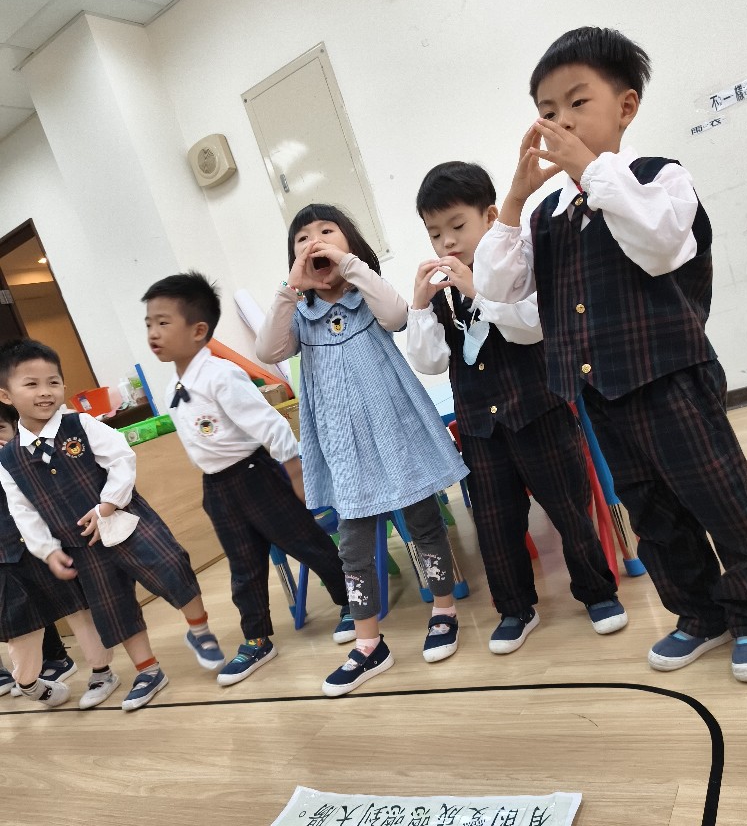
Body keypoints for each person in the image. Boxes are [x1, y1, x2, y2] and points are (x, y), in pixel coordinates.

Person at [474, 26, 747, 682]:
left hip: (671, 377)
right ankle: (698, 613)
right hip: (601, 392)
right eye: (547, 110)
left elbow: (659, 244)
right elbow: (500, 291)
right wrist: (515, 201)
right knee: (650, 510)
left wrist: (593, 173)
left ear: (626, 106)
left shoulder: (658, 178)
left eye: (576, 102)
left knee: (718, 497)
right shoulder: (547, 214)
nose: (560, 121)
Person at [406, 161, 626, 653]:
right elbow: (430, 361)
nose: (446, 242)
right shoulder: (441, 294)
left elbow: (532, 326)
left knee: (569, 508)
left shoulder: (516, 268)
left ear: (489, 218)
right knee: (495, 523)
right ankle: (514, 608)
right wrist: (420, 305)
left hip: (538, 412)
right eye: (435, 233)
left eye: (457, 226)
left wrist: (477, 290)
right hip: (480, 430)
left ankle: (598, 592)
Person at [257, 204, 468, 697]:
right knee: (352, 546)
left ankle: (444, 610)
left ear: (350, 243)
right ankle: (370, 644)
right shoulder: (301, 316)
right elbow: (268, 351)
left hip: (395, 431)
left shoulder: (367, 294)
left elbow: (397, 315)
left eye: (327, 232)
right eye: (302, 238)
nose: (314, 241)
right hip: (343, 448)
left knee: (423, 523)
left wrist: (350, 266)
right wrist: (291, 287)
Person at [143, 271, 353, 685]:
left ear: (198, 330)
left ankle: (351, 602)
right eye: (149, 323)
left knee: (306, 543)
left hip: (256, 476)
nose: (153, 332)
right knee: (243, 567)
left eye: (163, 322)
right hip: (218, 488)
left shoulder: (221, 375)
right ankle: (257, 639)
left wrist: (295, 474)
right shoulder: (173, 387)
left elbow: (270, 425)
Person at [0, 339, 227, 711]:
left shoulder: (80, 423)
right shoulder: (9, 459)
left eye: (53, 382)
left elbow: (121, 458)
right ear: (6, 395)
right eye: (32, 384)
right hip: (81, 545)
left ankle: (200, 630)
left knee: (172, 567)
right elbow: (23, 511)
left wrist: (107, 503)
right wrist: (48, 551)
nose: (45, 392)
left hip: (126, 522)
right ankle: (148, 671)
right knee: (113, 608)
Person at [0, 399, 117, 709]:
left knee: (78, 609)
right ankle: (28, 684)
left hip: (49, 550)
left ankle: (102, 672)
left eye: (0, 429)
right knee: (20, 627)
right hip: (8, 560)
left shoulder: (24, 458)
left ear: (15, 431)